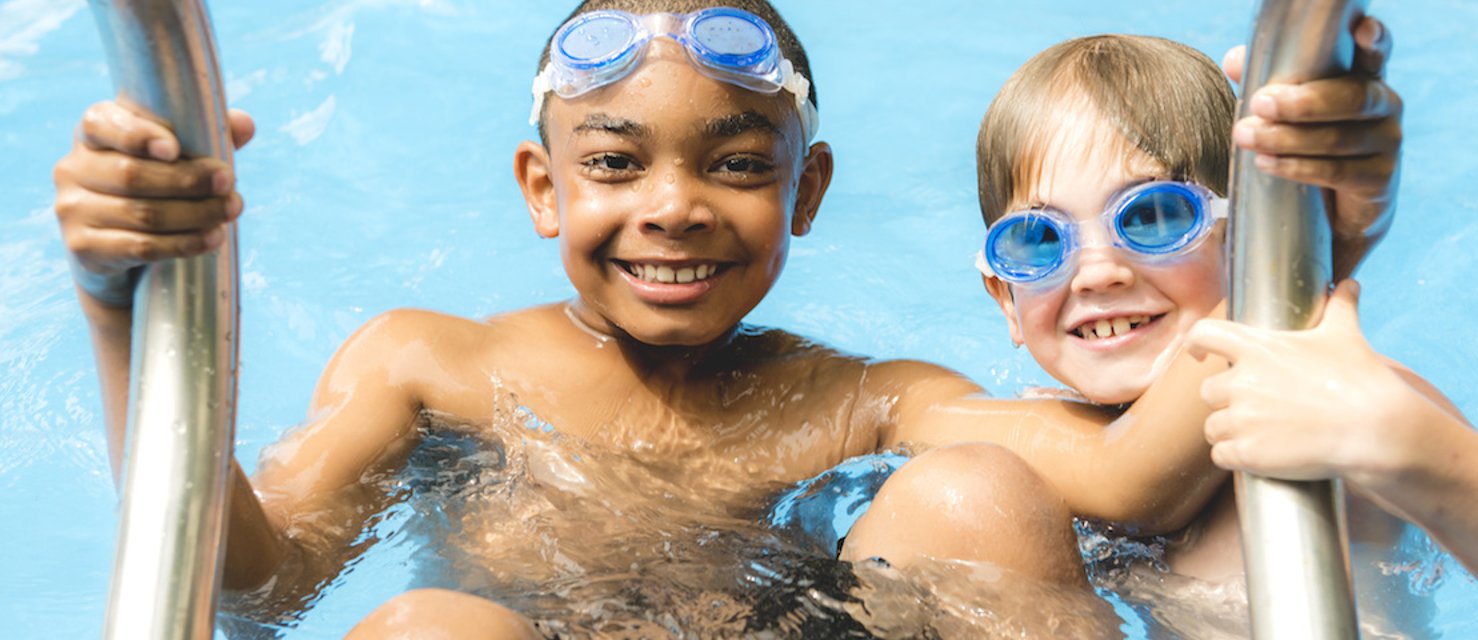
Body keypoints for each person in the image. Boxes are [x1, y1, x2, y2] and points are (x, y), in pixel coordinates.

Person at [53, 1, 1268, 635]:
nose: (675, 208)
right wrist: (129, 309)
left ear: (808, 191)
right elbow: (259, 588)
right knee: (429, 627)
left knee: (979, 494)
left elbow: (1124, 477)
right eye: (618, 164)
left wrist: (1286, 233)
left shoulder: (863, 399)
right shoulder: (432, 367)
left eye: (737, 166)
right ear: (546, 188)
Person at [962, 21, 1478, 639]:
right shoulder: (1059, 449)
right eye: (1038, 241)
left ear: (1244, 240)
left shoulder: (1337, 405)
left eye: (1153, 216)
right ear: (1007, 303)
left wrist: (1410, 449)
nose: (1097, 273)